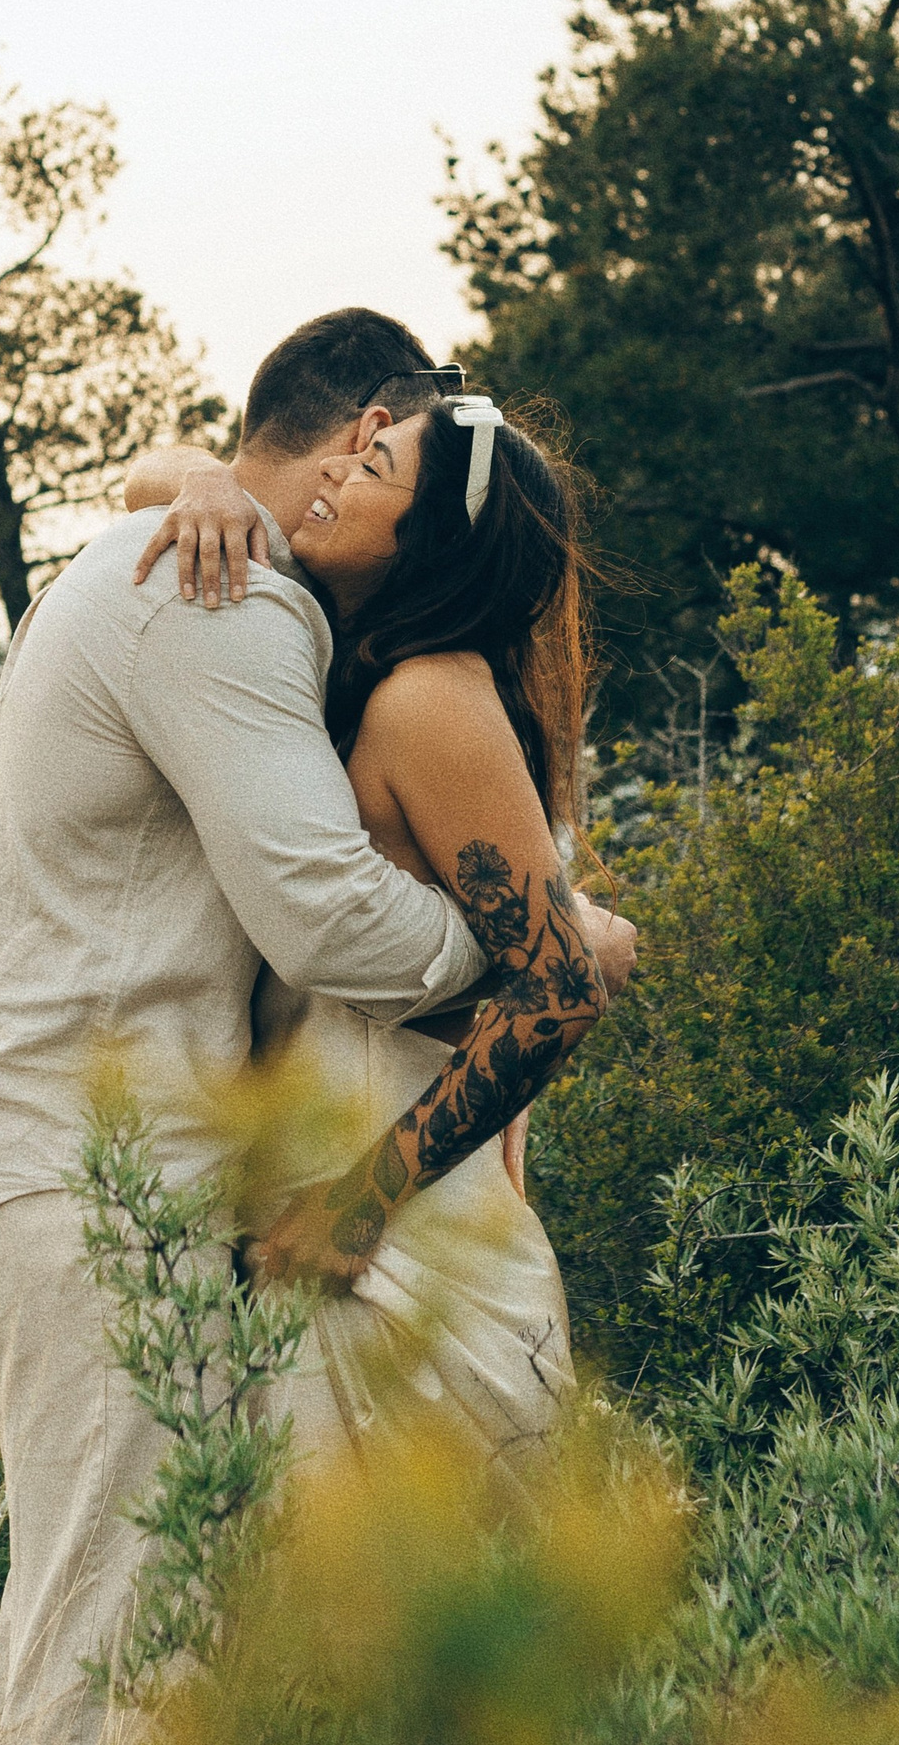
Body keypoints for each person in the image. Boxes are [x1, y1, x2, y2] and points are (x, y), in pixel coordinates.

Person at [0, 309, 632, 1745]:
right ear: (347, 430)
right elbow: (326, 929)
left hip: (206, 1185)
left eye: (397, 465)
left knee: (207, 1607)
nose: (361, 474)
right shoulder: (222, 586)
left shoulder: (268, 607)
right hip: (107, 1168)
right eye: (366, 449)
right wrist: (557, 949)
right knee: (119, 1600)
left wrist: (555, 957)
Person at [128, 391, 614, 1473]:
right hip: (326, 1215)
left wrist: (361, 1201)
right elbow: (143, 480)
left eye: (375, 467)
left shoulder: (430, 698)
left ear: (429, 539)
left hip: (405, 1243)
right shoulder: (357, 658)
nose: (337, 472)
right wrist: (205, 480)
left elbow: (563, 986)